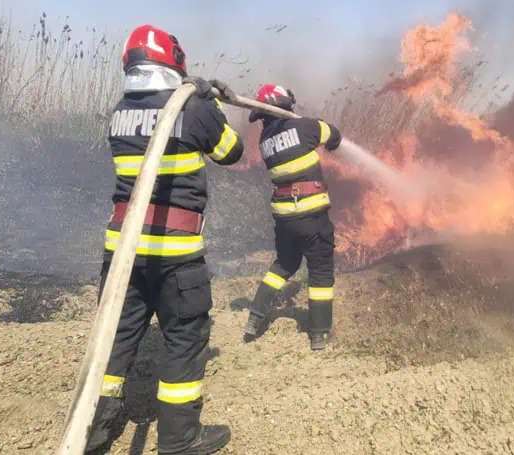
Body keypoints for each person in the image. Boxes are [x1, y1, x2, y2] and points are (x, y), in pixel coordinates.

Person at [86, 24, 243, 455]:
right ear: (174, 61)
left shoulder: (119, 111)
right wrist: (209, 102)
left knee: (114, 341)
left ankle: (92, 431)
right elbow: (232, 151)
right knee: (184, 338)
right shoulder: (192, 109)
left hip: (122, 255)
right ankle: (179, 440)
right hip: (176, 258)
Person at [244, 83, 342, 351]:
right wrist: (313, 124)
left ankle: (255, 315)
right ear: (286, 104)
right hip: (312, 215)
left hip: (285, 217)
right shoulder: (306, 127)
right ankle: (319, 333)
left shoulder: (265, 142)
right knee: (320, 272)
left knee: (284, 264)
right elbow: (335, 137)